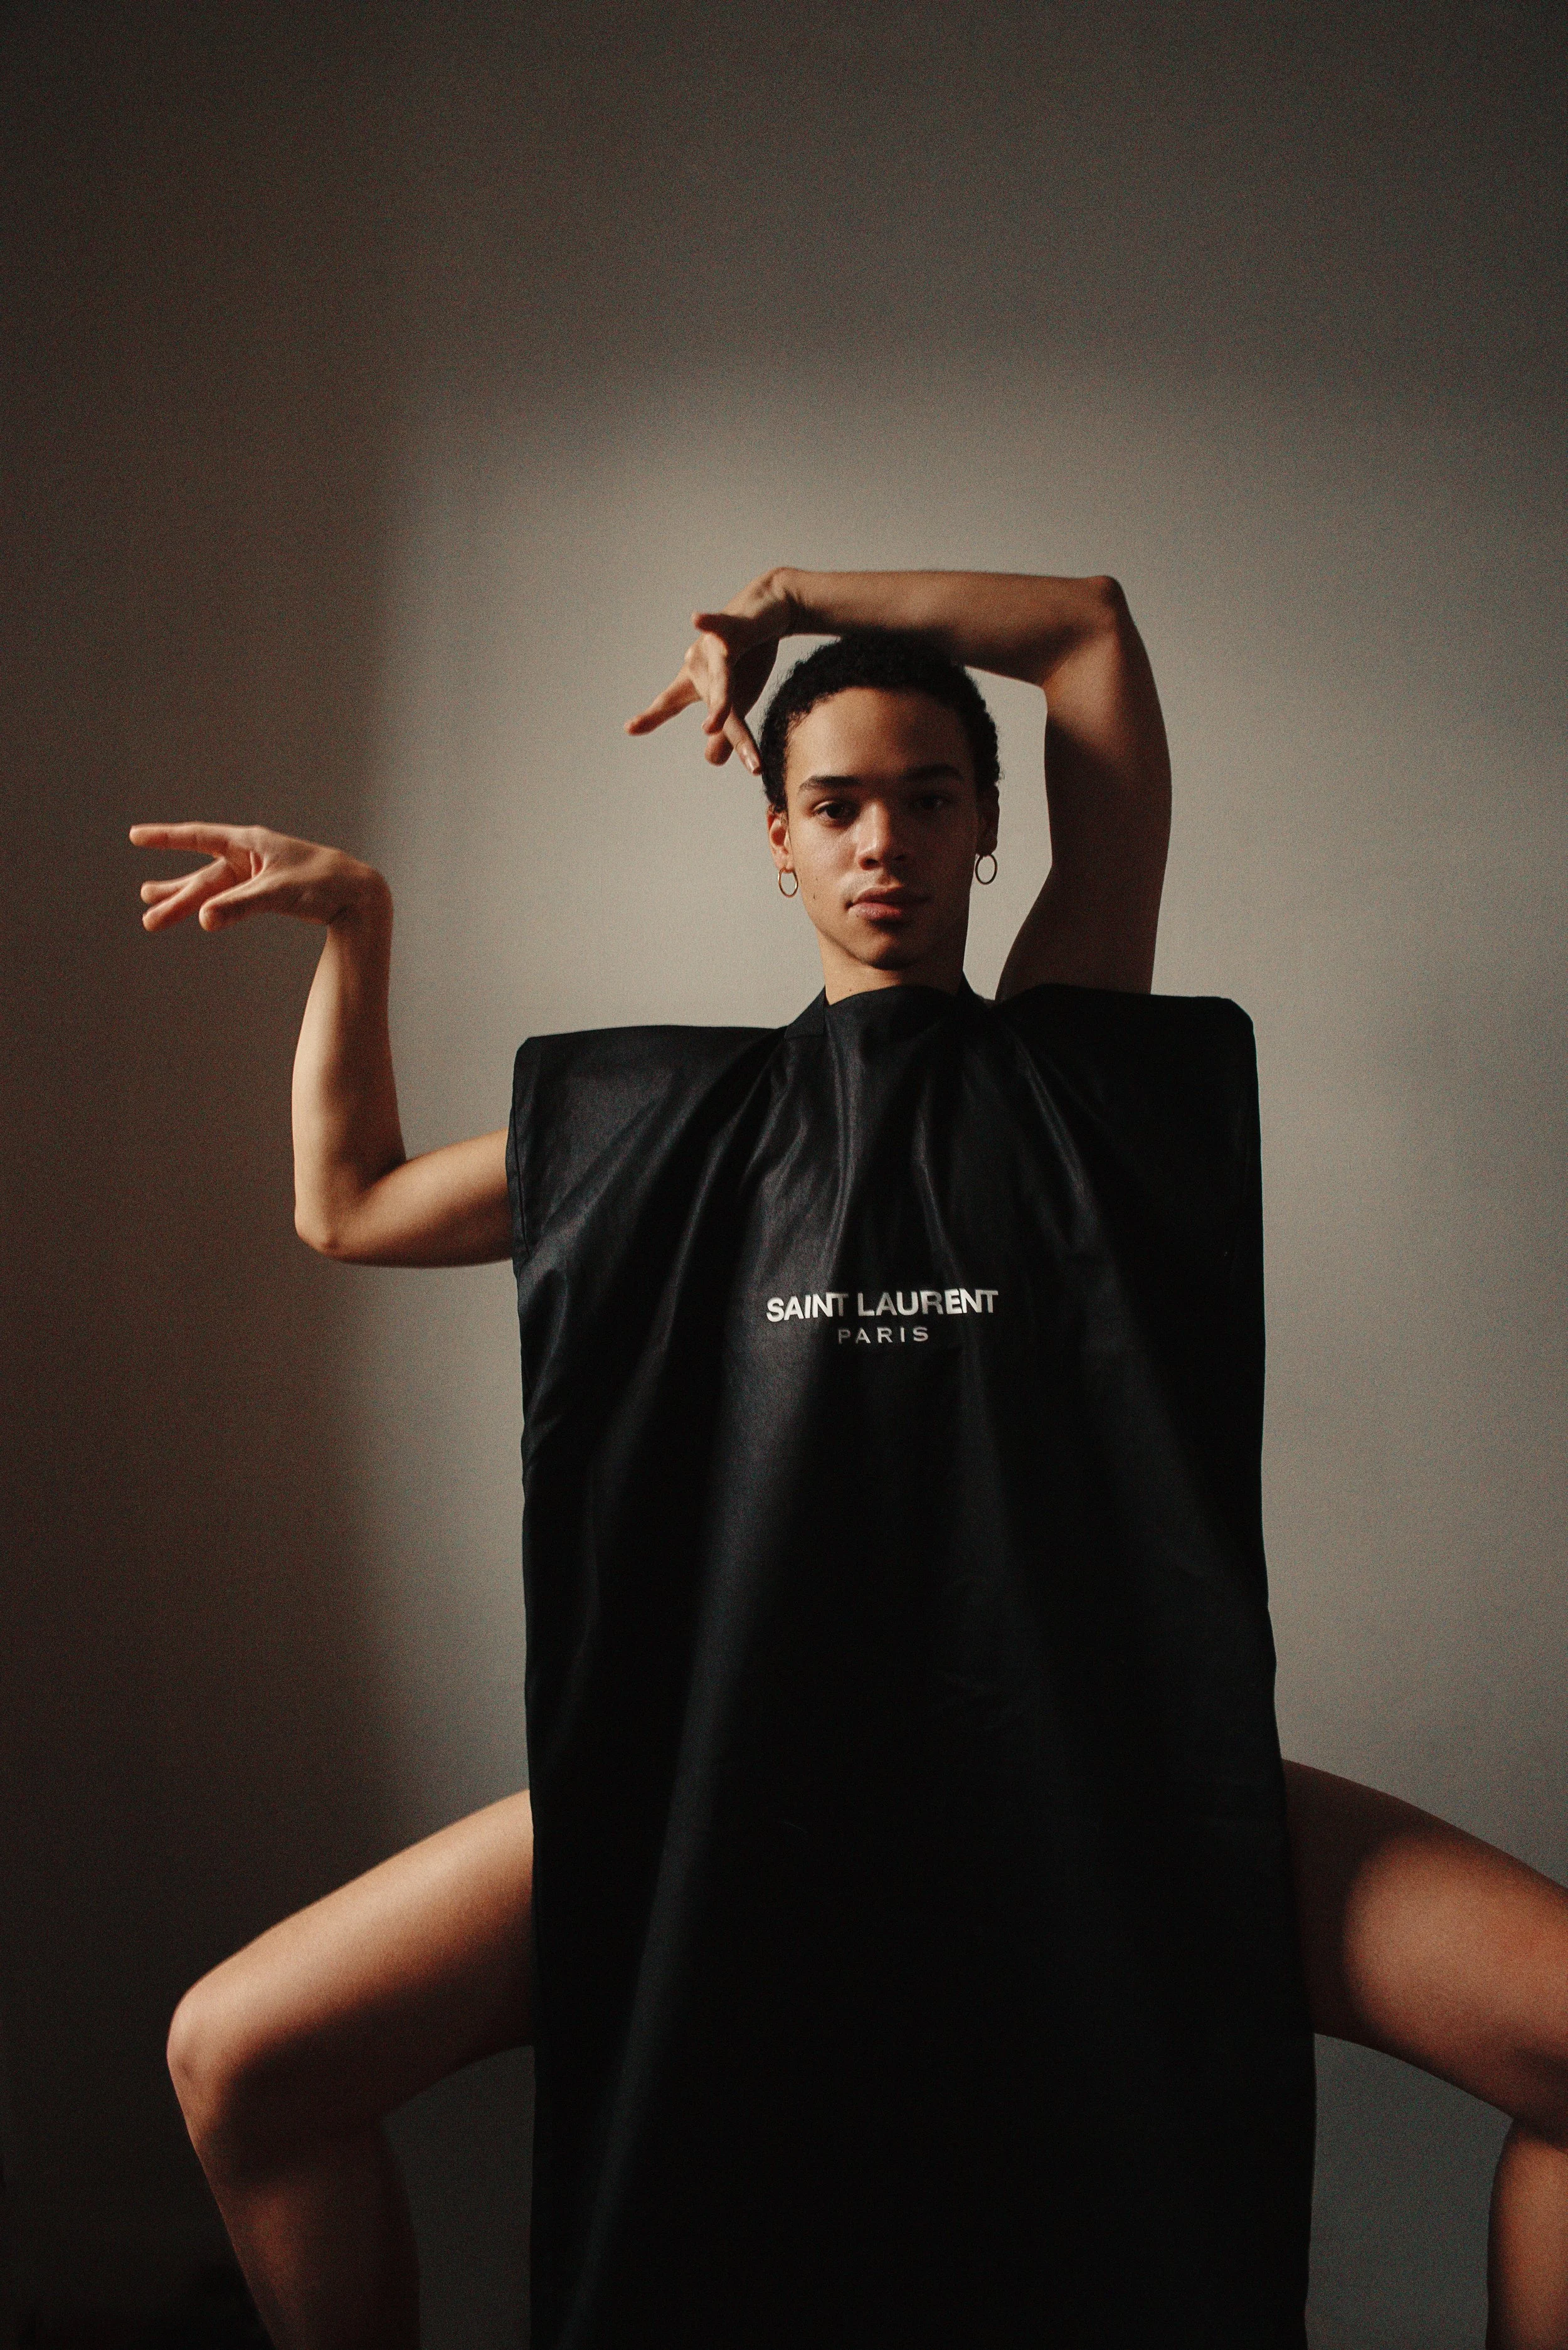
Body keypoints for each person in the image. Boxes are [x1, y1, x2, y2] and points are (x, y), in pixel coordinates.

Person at [137, 568, 1568, 2349]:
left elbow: (1088, 636)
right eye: (835, 804)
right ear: (776, 840)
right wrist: (360, 926)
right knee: (246, 2058)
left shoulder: (1077, 1076)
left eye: (926, 797)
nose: (881, 839)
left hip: (1096, 1787)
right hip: (727, 1790)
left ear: (987, 831)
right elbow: (346, 1206)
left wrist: (782, 597)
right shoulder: (653, 1131)